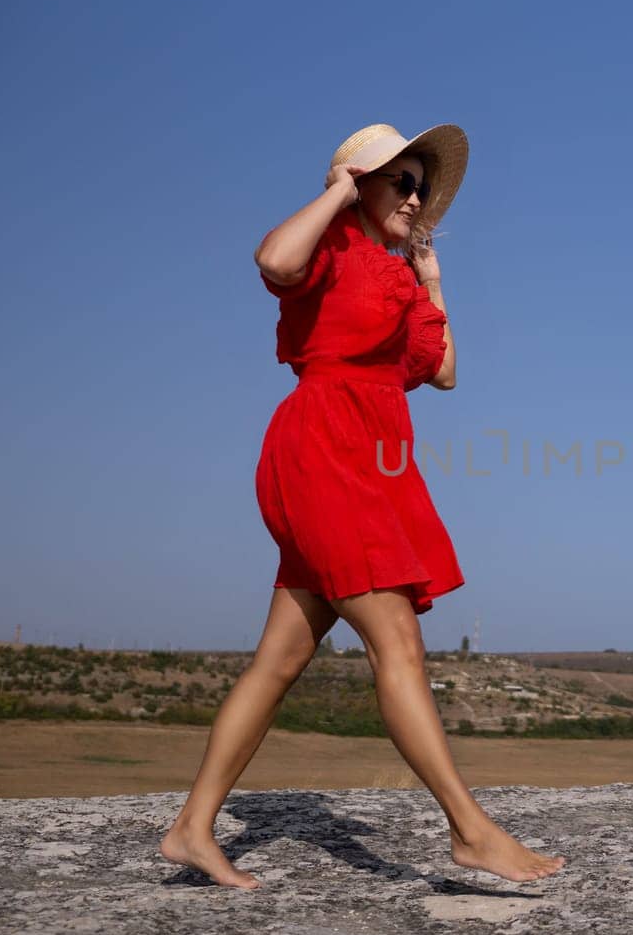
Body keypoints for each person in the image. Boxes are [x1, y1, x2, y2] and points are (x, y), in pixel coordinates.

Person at [160, 123, 566, 888]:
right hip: (324, 454)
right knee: (399, 645)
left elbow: (441, 371)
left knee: (279, 660)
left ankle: (191, 827)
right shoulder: (330, 250)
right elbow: (273, 259)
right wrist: (340, 189)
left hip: (371, 462)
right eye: (400, 181)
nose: (415, 197)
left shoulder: (393, 275)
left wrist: (431, 276)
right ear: (360, 181)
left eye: (422, 186)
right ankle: (472, 831)